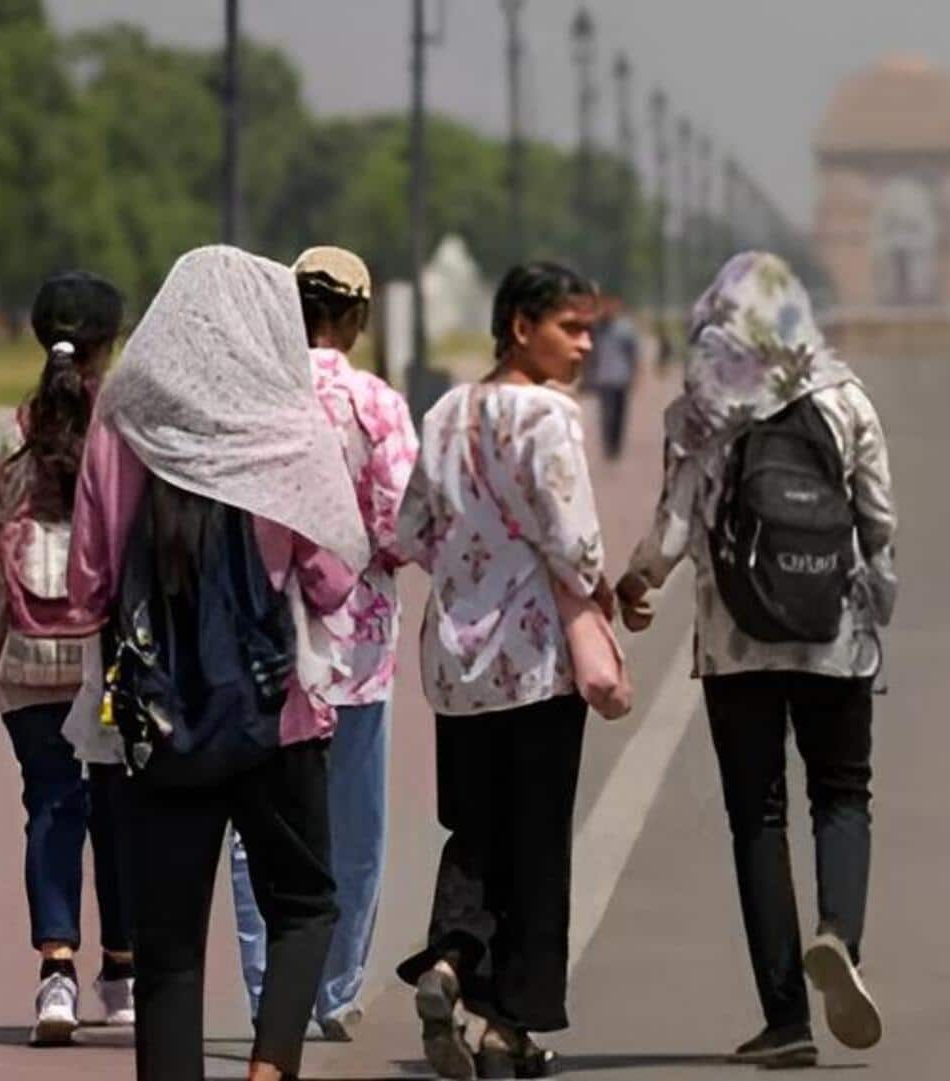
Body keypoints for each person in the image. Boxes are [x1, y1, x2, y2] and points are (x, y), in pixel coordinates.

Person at [68, 245, 368, 1081]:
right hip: (277, 718)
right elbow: (335, 581)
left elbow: (88, 585)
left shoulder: (122, 425)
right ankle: (270, 1066)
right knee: (305, 905)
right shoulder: (288, 425)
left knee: (166, 950)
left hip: (158, 725)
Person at [616, 251, 898, 1070]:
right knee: (843, 795)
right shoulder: (845, 399)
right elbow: (879, 524)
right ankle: (839, 934)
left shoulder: (709, 408)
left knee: (759, 816)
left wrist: (636, 584)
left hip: (735, 640)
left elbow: (671, 529)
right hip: (833, 634)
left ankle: (785, 1020)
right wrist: (877, 608)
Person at [392, 261, 610, 1080]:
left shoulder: (447, 409)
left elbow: (411, 528)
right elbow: (576, 542)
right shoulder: (550, 416)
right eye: (570, 327)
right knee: (537, 842)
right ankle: (510, 1022)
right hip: (534, 661)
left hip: (455, 660)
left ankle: (450, 961)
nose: (585, 345)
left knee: (475, 828)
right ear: (521, 326)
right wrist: (602, 589)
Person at [226, 247, 418, 1043]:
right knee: (354, 821)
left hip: (253, 635)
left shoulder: (247, 396)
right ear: (359, 319)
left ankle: (271, 981)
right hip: (357, 643)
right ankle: (336, 987)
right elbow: (402, 521)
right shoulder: (376, 403)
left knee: (256, 829)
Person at [0, 271, 135, 1046]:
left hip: (26, 657)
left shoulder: (5, 432)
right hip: (107, 659)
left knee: (52, 804)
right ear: (110, 345)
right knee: (120, 810)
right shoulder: (122, 427)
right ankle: (121, 971)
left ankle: (56, 969)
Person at [585, 296, 639, 462]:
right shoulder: (596, 330)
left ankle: (616, 444)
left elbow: (633, 354)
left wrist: (636, 375)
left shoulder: (624, 330)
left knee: (619, 414)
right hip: (603, 378)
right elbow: (590, 354)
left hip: (621, 377)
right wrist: (587, 374)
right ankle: (608, 445)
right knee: (606, 413)